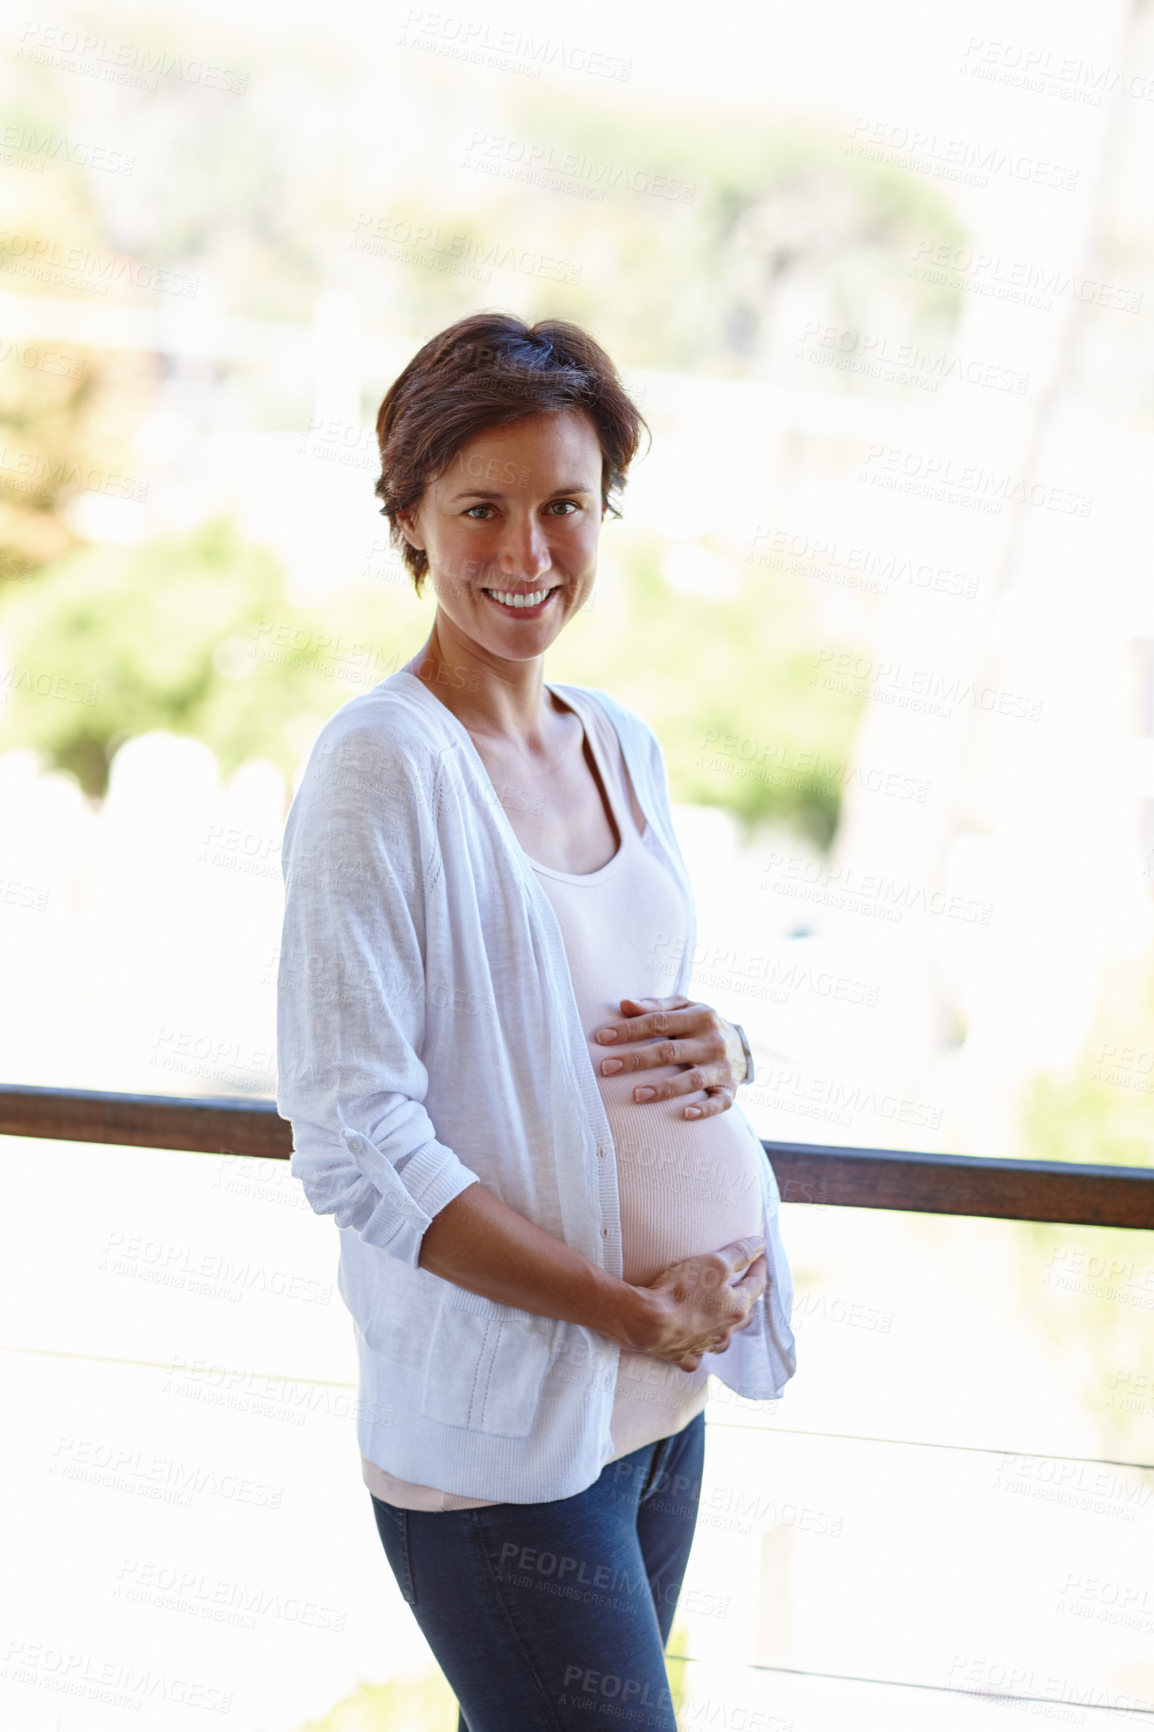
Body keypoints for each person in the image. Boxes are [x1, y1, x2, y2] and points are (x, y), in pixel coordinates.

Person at [276, 312, 796, 1730]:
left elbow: (608, 1016)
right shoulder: (380, 769)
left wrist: (726, 1047)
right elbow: (356, 1139)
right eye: (480, 510)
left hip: (658, 1413)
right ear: (408, 520)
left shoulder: (615, 739)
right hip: (509, 1436)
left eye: (564, 505)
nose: (526, 555)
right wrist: (626, 1307)